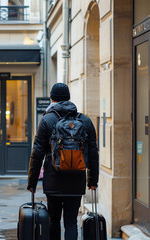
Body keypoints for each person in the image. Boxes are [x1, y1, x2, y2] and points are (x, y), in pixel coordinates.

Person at [27, 82, 99, 240]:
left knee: (54, 219)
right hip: (76, 180)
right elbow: (93, 153)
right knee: (71, 221)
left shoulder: (47, 120)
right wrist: (93, 180)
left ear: (52, 99)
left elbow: (37, 153)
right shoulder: (85, 121)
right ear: (68, 99)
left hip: (53, 181)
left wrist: (32, 182)